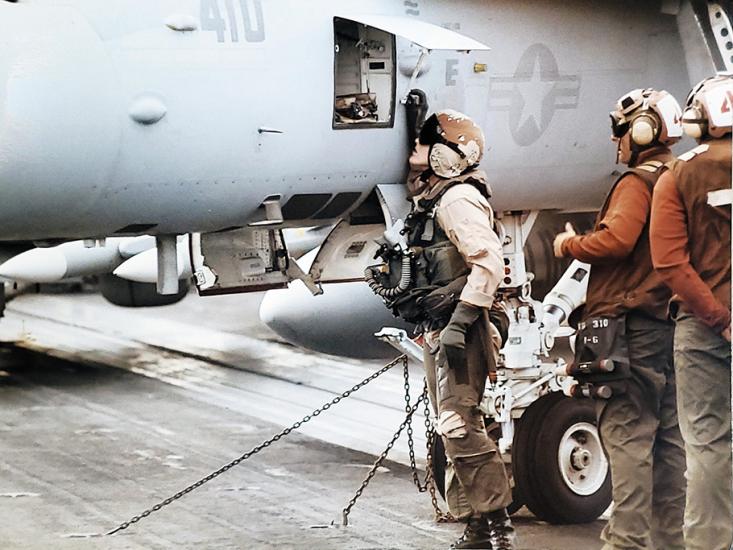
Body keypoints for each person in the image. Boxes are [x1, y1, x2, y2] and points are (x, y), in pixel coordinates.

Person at [367, 110, 515, 549]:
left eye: (424, 143)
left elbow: (488, 264)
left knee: (457, 422)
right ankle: (478, 525)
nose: (415, 150)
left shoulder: (456, 200)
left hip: (465, 326)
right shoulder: (432, 198)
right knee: (460, 423)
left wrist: (461, 322)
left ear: (445, 155)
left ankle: (499, 529)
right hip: (444, 325)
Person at [553, 89, 687, 550]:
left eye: (621, 128)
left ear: (644, 128)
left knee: (627, 436)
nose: (617, 139)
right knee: (670, 443)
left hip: (628, 328)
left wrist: (568, 245)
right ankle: (672, 541)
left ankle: (626, 542)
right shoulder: (681, 176)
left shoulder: (638, 182)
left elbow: (616, 241)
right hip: (671, 326)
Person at [649, 74, 733, 550]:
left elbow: (670, 263)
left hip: (705, 331)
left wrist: (719, 318)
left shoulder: (678, 174)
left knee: (707, 444)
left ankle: (711, 543)